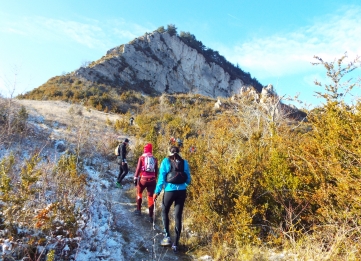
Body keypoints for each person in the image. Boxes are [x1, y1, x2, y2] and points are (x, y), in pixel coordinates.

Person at [153, 146, 191, 253]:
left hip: (169, 191)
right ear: (179, 152)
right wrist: (183, 184)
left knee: (165, 211)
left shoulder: (166, 161)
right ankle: (176, 244)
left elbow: (161, 179)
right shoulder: (184, 162)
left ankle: (167, 237)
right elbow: (188, 180)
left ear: (169, 152)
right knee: (178, 216)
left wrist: (157, 192)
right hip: (182, 192)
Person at [133, 143, 158, 222]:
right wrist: (155, 179)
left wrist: (135, 178)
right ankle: (150, 216)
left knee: (139, 193)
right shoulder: (154, 159)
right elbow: (156, 171)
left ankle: (138, 210)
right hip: (152, 180)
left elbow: (138, 169)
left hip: (143, 179)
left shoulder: (142, 158)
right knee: (150, 197)